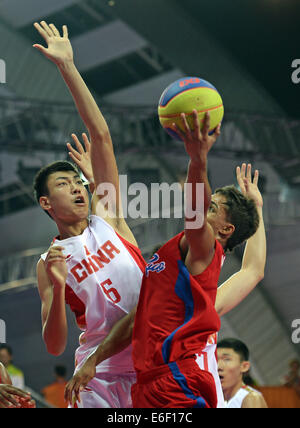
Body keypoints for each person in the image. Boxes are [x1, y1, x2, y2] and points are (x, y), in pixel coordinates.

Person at [63, 135, 266, 408]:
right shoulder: (190, 296)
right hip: (151, 383)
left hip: (177, 383)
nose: (204, 209)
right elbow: (253, 270)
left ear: (225, 230)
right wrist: (258, 207)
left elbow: (196, 217)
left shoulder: (204, 252)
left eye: (212, 207)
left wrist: (197, 159)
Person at [33, 21, 146, 408]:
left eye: (77, 180)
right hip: (97, 375)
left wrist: (68, 67)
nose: (77, 187)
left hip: (151, 356)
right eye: (63, 184)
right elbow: (53, 345)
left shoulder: (107, 215)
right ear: (46, 203)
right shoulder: (49, 261)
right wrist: (60, 284)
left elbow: (101, 136)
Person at [217, 338, 268, 408]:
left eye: (226, 359)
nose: (218, 366)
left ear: (244, 366)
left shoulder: (251, 398)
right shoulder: (216, 399)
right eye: (215, 359)